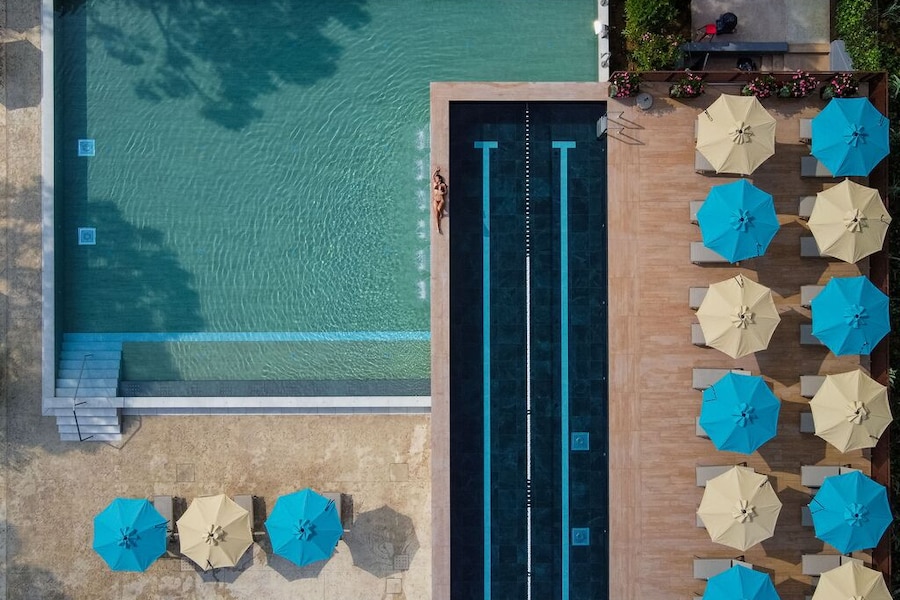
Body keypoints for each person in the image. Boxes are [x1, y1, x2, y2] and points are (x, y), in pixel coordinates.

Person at [432, 167, 448, 235]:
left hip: (441, 200)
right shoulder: (435, 183)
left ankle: (441, 213)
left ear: (440, 179)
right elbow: (433, 176)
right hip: (435, 200)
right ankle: (438, 227)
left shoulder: (443, 185)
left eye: (437, 178)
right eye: (436, 178)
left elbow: (446, 192)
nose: (436, 179)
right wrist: (436, 171)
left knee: (439, 209)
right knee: (436, 214)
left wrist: (442, 193)